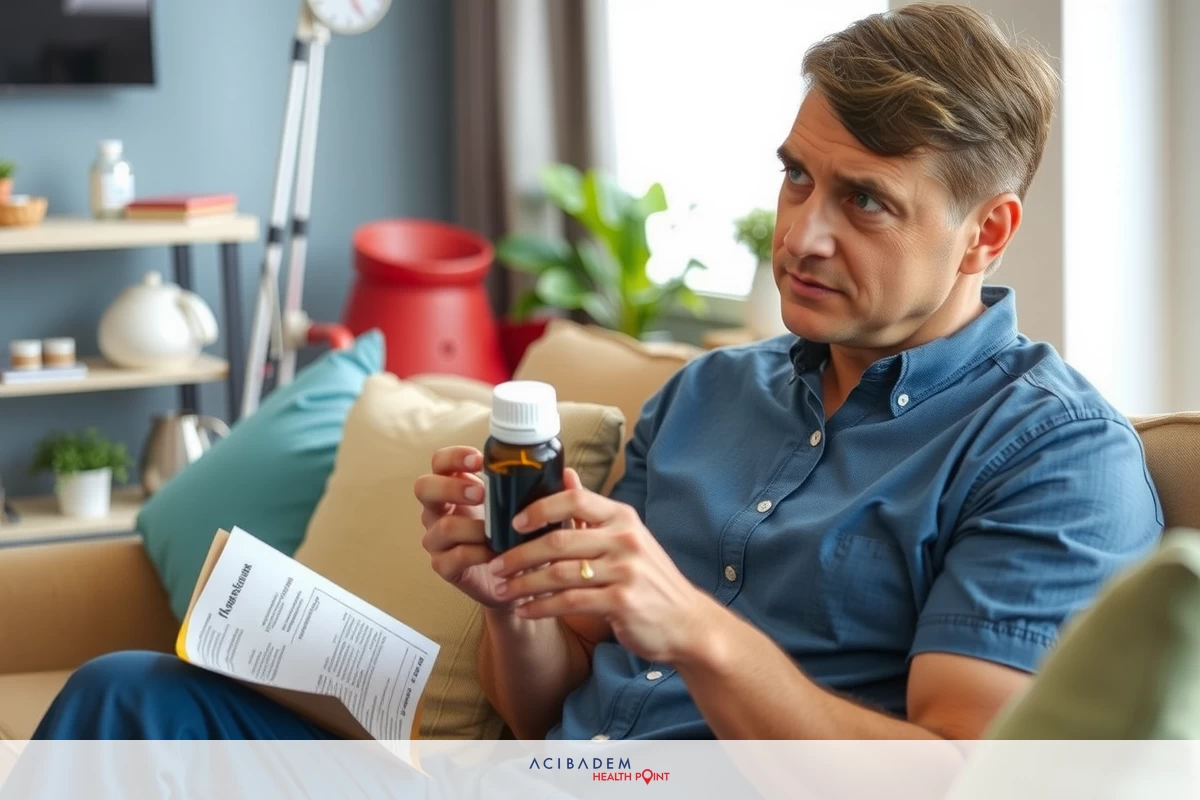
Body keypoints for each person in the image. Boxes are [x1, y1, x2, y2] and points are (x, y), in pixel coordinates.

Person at [29, 2, 1160, 746]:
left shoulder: (1053, 457)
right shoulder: (709, 395)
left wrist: (696, 629)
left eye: (864, 201)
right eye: (796, 178)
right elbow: (540, 710)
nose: (802, 235)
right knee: (128, 698)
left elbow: (963, 776)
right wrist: (509, 597)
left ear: (985, 232)